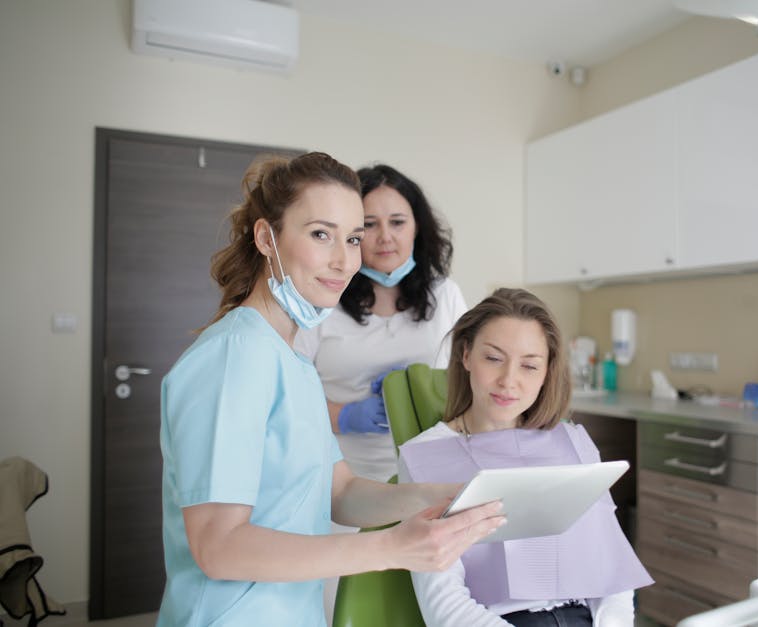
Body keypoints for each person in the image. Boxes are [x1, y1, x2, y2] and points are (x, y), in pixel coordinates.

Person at [157, 152, 504, 627]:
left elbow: (338, 491)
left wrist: (444, 498)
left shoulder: (291, 355)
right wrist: (389, 547)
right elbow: (219, 548)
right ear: (266, 237)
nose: (345, 260)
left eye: (352, 238)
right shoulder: (235, 356)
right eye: (321, 234)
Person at [398, 288, 653, 627]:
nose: (509, 381)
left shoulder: (571, 442)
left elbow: (611, 573)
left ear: (547, 372)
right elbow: (444, 606)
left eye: (530, 365)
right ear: (466, 355)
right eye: (493, 358)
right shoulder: (426, 457)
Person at [294, 163, 467, 483]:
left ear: (417, 227)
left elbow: (470, 381)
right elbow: (288, 397)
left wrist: (427, 387)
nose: (385, 237)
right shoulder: (321, 300)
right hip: (338, 478)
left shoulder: (446, 296)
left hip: (429, 474)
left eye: (398, 222)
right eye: (369, 224)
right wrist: (344, 416)